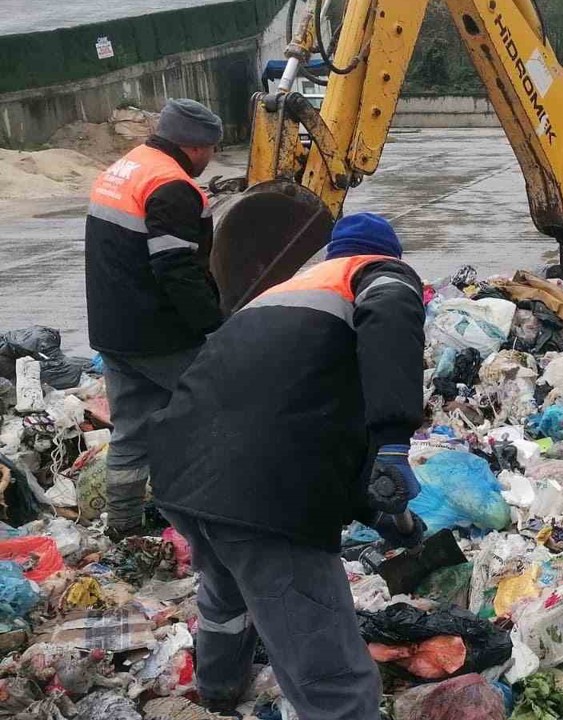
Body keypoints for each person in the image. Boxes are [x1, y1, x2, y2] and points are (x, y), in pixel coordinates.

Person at [149, 213, 427, 719]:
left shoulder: (282, 294)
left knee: (227, 592)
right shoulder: (376, 276)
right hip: (259, 495)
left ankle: (218, 692)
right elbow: (391, 312)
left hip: (181, 474)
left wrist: (379, 510)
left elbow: (302, 421)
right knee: (328, 662)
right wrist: (393, 442)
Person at [84, 98, 225, 539]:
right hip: (159, 335)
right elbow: (176, 269)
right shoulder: (172, 186)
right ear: (196, 146)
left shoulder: (126, 167)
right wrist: (216, 327)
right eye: (211, 149)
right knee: (224, 410)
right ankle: (216, 516)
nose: (211, 157)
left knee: (131, 432)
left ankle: (123, 529)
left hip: (114, 330)